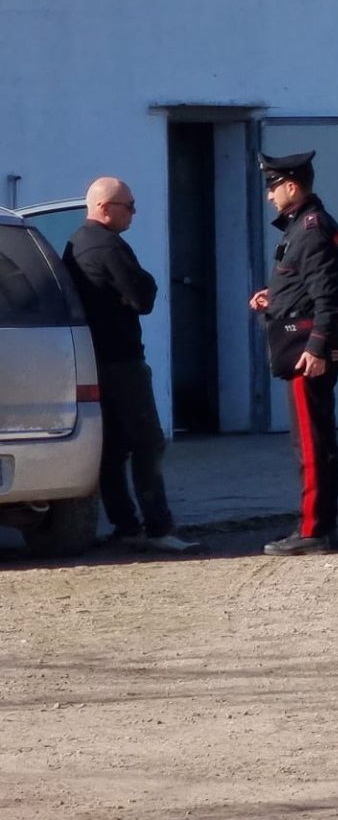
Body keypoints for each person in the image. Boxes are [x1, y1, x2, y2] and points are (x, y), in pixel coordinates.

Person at [63, 177, 202, 554]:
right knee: (147, 442)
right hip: (122, 362)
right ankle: (158, 526)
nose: (135, 213)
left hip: (94, 360)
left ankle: (125, 524)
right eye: (129, 206)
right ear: (105, 208)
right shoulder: (109, 246)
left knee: (111, 448)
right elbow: (143, 296)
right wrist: (141, 289)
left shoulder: (75, 243)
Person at [251, 151, 338, 555]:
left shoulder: (310, 230)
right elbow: (304, 286)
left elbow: (327, 297)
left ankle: (314, 529)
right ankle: (318, 523)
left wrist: (316, 346)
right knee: (316, 439)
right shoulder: (300, 228)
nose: (269, 196)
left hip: (305, 351)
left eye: (273, 187)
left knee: (311, 443)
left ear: (292, 186)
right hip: (301, 343)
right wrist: (272, 297)